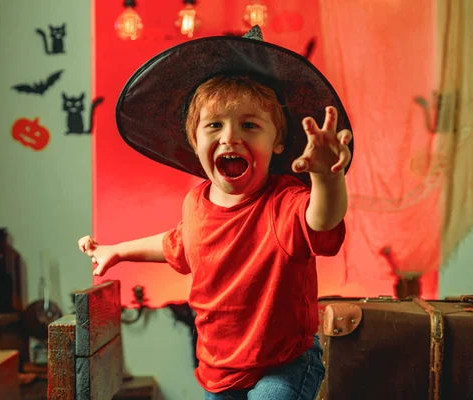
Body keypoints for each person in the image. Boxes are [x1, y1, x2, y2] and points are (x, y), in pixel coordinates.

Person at [78, 26, 354, 399]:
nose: (230, 137)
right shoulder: (195, 204)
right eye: (214, 125)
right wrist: (117, 250)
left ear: (277, 141)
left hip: (283, 363)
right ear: (195, 141)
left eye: (249, 125)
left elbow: (321, 220)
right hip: (218, 370)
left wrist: (325, 179)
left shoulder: (284, 201)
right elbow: (177, 244)